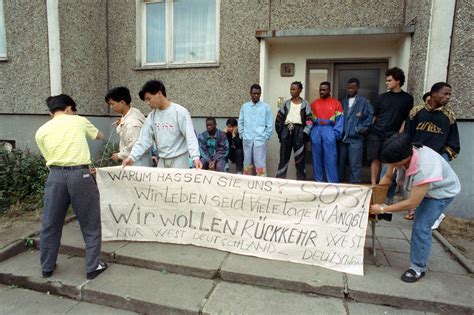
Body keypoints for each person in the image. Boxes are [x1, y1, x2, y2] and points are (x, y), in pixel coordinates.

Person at [370, 133, 460, 283]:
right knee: (418, 215)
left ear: (405, 157)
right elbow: (387, 177)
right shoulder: (399, 152)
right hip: (421, 188)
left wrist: (383, 209)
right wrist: (375, 196)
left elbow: (412, 203)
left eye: (395, 163)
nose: (393, 165)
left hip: (440, 193)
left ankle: (418, 268)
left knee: (421, 226)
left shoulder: (425, 167)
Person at [35, 94, 107, 280]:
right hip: (80, 175)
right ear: (69, 108)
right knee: (90, 223)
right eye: (72, 110)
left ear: (51, 112)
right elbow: (100, 136)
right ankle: (93, 267)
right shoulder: (78, 120)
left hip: (55, 176)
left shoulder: (41, 131)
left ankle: (47, 267)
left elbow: (48, 157)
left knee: (50, 223)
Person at [404, 82, 460, 221]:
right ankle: (413, 210)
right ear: (433, 94)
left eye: (449, 95)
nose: (448, 97)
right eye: (445, 94)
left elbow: (453, 142)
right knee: (415, 185)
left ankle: (432, 214)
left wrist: (443, 158)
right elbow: (407, 134)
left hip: (437, 159)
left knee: (431, 190)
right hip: (416, 157)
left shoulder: (449, 116)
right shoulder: (416, 111)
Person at [122, 80, 202, 169]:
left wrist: (195, 157)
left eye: (149, 98)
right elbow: (143, 140)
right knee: (160, 183)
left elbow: (190, 136)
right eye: (146, 100)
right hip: (162, 160)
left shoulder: (179, 112)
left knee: (178, 183)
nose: (148, 103)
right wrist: (131, 157)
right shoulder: (152, 116)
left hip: (179, 159)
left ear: (159, 93)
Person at [367, 67, 414, 185]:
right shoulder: (381, 97)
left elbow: (406, 118)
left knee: (389, 161)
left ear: (397, 81)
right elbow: (375, 116)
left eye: (389, 80)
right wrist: (370, 130)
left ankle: (383, 186)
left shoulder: (407, 98)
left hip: (393, 135)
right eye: (386, 80)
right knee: (375, 159)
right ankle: (373, 185)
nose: (386, 82)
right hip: (376, 133)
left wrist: (399, 133)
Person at [105, 86, 152, 166]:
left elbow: (135, 146)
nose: (111, 107)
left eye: (113, 104)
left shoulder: (132, 123)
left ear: (122, 102)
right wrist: (122, 122)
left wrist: (119, 155)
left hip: (137, 163)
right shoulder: (133, 112)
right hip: (138, 160)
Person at [338, 78, 373, 184]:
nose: (350, 90)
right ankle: (339, 186)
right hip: (343, 139)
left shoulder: (364, 102)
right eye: (348, 88)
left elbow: (370, 117)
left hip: (356, 139)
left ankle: (355, 187)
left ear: (358, 88)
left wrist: (359, 129)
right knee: (340, 164)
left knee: (355, 164)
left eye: (353, 87)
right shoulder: (342, 102)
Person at [275, 81, 312, 180]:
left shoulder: (305, 104)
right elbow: (278, 119)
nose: (292, 91)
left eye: (294, 89)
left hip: (300, 132)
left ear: (300, 90)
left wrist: (305, 133)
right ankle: (280, 180)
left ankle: (301, 182)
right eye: (291, 89)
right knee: (283, 157)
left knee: (300, 159)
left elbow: (309, 121)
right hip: (287, 131)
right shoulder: (286, 104)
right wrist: (281, 133)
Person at [310, 81, 343, 183]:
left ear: (329, 90)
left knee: (331, 159)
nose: (322, 91)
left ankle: (332, 183)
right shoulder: (314, 104)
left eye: (324, 90)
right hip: (316, 130)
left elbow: (340, 120)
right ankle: (318, 182)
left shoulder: (336, 103)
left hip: (329, 130)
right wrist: (310, 133)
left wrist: (335, 134)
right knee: (316, 159)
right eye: (320, 90)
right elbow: (308, 119)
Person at [238, 84, 272, 176]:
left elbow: (269, 124)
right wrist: (242, 134)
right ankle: (247, 184)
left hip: (260, 140)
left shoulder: (266, 107)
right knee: (247, 164)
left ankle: (261, 185)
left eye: (258, 93)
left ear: (260, 94)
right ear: (250, 93)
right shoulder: (245, 107)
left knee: (260, 164)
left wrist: (266, 136)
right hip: (247, 139)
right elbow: (240, 122)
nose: (256, 95)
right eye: (254, 93)